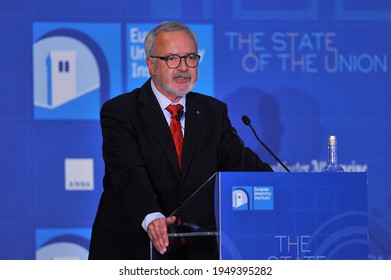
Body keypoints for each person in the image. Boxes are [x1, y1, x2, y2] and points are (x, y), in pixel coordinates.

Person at [88, 21, 272, 260]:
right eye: (172, 58)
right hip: (133, 248)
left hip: (197, 252)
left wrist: (286, 188)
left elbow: (243, 167)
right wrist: (152, 216)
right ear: (151, 65)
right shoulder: (121, 111)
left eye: (191, 58)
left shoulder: (212, 112)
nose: (184, 68)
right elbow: (128, 173)